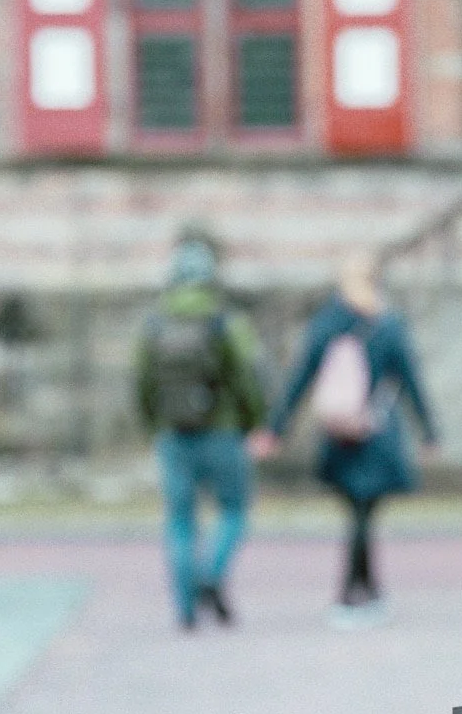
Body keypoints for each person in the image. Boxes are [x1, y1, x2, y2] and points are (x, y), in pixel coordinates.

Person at [254, 254, 437, 624]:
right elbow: (410, 380)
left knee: (358, 513)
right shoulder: (388, 325)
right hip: (377, 432)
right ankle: (352, 597)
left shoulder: (327, 323)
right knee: (362, 513)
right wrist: (429, 431)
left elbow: (300, 380)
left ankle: (365, 591)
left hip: (338, 435)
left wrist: (276, 429)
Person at [136, 232, 266, 630]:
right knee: (233, 509)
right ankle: (211, 574)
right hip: (223, 431)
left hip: (173, 433)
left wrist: (153, 424)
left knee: (179, 519)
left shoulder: (154, 322)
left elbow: (141, 382)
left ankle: (186, 607)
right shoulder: (226, 321)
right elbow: (246, 377)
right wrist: (253, 421)